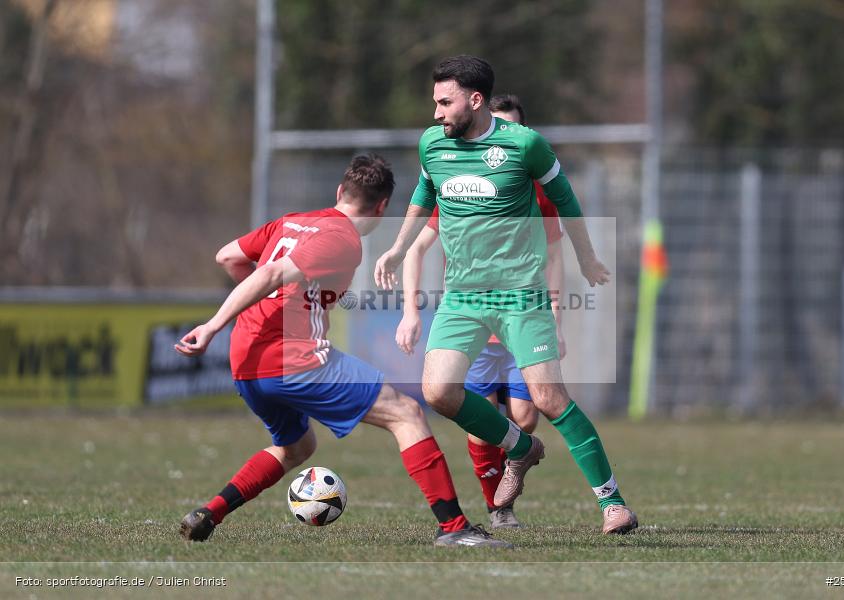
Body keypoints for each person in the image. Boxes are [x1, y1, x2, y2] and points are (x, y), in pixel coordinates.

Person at [175, 154, 510, 548]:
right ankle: (454, 529)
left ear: (339, 191)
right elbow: (268, 274)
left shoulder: (290, 220)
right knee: (406, 414)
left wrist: (256, 311)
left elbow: (229, 256)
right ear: (382, 206)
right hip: (293, 358)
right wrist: (214, 325)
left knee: (296, 447)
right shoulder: (341, 238)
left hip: (246, 362)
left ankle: (209, 513)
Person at [374, 56, 638, 535]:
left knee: (549, 398)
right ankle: (521, 447)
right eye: (434, 102)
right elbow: (424, 194)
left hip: (520, 294)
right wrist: (396, 248)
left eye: (444, 102)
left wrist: (587, 257)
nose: (436, 113)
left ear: (475, 101)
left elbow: (566, 200)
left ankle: (613, 503)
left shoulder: (524, 145)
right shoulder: (433, 144)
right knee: (438, 392)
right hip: (462, 298)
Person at [395, 94, 566, 529]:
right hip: (477, 326)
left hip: (523, 320)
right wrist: (410, 312)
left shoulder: (535, 193)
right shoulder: (461, 190)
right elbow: (417, 247)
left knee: (528, 415)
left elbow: (554, 258)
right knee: (478, 424)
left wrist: (557, 318)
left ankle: (518, 461)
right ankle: (499, 508)